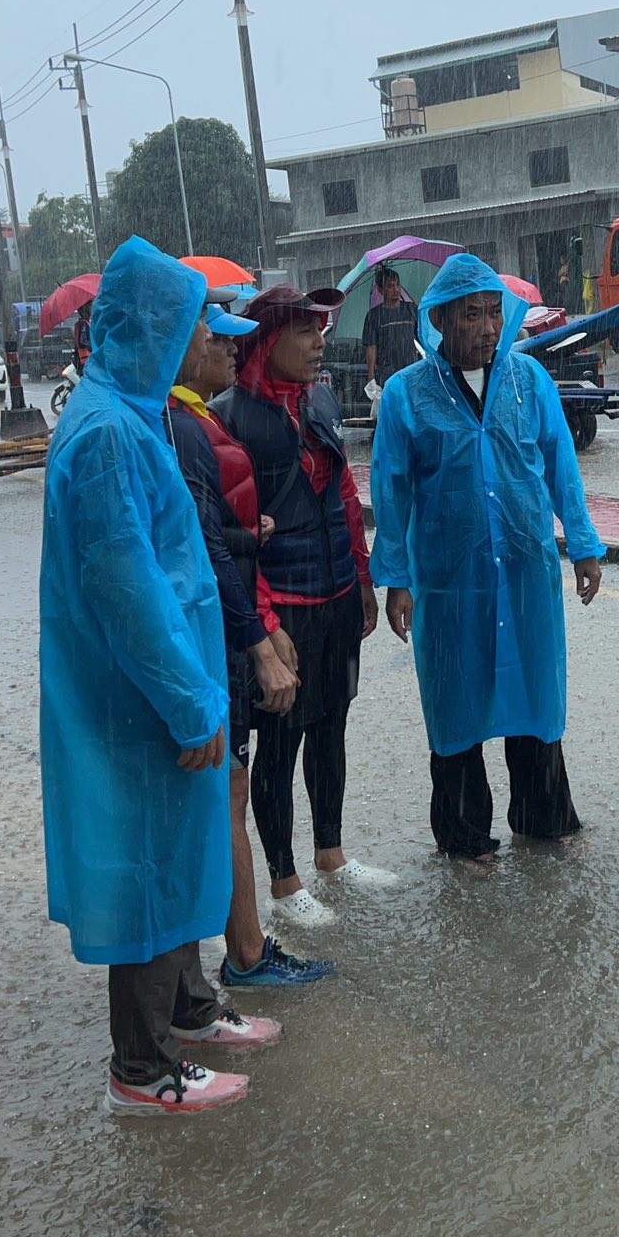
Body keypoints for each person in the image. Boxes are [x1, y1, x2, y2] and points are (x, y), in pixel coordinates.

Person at [40, 237, 280, 1115]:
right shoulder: (106, 432)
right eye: (193, 326)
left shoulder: (128, 411)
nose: (205, 342)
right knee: (145, 865)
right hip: (141, 699)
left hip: (169, 685)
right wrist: (187, 704)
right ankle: (140, 1069)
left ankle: (190, 1010)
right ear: (155, 327)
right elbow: (127, 587)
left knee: (178, 854)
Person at [370, 253, 604, 864]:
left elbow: (561, 466)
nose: (487, 328)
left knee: (534, 693)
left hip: (526, 571)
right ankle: (465, 837)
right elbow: (390, 490)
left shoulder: (530, 382)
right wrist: (395, 578)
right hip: (449, 583)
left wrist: (582, 544)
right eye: (472, 314)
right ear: (441, 320)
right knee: (455, 704)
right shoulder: (406, 396)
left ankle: (544, 819)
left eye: (495, 313)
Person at [212, 284, 393, 927]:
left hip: (337, 594)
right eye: (305, 332)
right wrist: (262, 624)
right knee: (280, 742)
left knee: (331, 726)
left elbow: (344, 491)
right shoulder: (229, 417)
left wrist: (364, 578)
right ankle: (285, 883)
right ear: (266, 340)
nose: (321, 344)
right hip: (281, 606)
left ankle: (332, 854)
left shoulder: (319, 398)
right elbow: (235, 539)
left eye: (322, 329)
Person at [169, 303, 334, 989]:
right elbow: (198, 546)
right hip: (227, 624)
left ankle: (235, 952)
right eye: (217, 342)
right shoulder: (185, 427)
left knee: (228, 790)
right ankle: (245, 951)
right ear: (180, 350)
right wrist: (261, 629)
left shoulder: (198, 419)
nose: (231, 354)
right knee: (234, 788)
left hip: (237, 613)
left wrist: (246, 538)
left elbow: (208, 532)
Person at [362, 267, 419, 406]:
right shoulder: (374, 315)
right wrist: (371, 378)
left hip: (412, 371)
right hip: (387, 375)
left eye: (397, 284)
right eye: (390, 286)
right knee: (394, 411)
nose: (395, 289)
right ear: (380, 290)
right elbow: (371, 347)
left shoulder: (411, 309)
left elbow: (422, 337)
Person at [73, 300, 93, 375]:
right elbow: (84, 342)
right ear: (83, 309)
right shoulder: (83, 325)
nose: (91, 309)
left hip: (85, 361)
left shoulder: (82, 324)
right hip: (87, 361)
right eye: (89, 306)